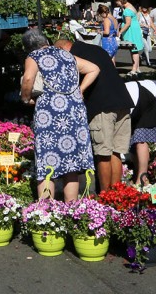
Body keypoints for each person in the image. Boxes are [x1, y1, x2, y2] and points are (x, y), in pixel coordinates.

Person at [19, 29, 97, 201]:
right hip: (75, 111)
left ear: (28, 47)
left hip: (51, 113)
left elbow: (28, 79)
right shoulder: (66, 55)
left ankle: (46, 209)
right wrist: (80, 90)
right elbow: (93, 69)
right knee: (71, 163)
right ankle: (71, 207)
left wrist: (25, 98)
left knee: (47, 160)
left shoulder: (34, 56)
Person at [55, 33, 130, 193]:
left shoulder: (73, 57)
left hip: (102, 106)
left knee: (103, 152)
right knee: (116, 151)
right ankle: (116, 195)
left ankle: (104, 195)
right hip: (123, 101)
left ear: (62, 48)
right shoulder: (96, 49)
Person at [124, 78, 156, 185]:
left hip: (155, 95)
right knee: (133, 138)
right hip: (140, 99)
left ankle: (142, 179)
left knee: (140, 138)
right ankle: (136, 174)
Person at [118, 0, 144, 74]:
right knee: (135, 49)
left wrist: (120, 31)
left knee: (133, 49)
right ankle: (137, 68)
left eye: (117, 3)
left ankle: (134, 69)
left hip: (131, 31)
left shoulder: (127, 10)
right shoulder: (131, 7)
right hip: (135, 29)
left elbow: (128, 23)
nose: (117, 5)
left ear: (120, 1)